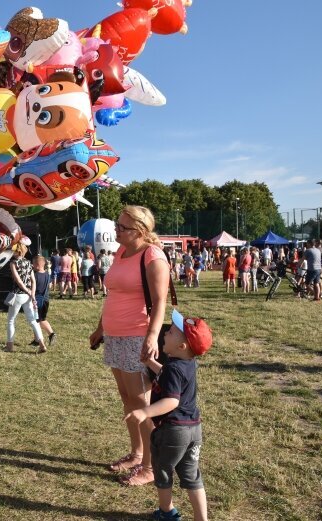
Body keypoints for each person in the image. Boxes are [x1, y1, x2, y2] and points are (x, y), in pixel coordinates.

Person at [89, 205, 170, 487]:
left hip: (137, 336)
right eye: (117, 224)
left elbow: (160, 302)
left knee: (142, 403)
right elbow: (113, 293)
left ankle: (150, 466)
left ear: (139, 231)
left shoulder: (153, 257)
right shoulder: (123, 252)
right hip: (115, 335)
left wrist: (151, 336)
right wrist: (101, 328)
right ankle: (137, 453)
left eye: (122, 227)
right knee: (127, 398)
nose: (116, 230)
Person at [125, 310, 212, 521]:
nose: (165, 333)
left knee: (163, 472)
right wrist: (150, 363)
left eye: (171, 332)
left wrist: (144, 412)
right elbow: (167, 374)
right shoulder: (187, 364)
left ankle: (166, 513)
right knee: (192, 477)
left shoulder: (174, 369)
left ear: (181, 346)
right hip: (193, 430)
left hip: (172, 431)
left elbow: (172, 400)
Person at [4, 243, 47, 353]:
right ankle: (42, 344)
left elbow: (18, 280)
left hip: (17, 295)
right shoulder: (28, 263)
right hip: (27, 296)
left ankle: (9, 346)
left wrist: (27, 290)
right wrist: (31, 294)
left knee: (11, 320)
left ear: (17, 251)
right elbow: (33, 280)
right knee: (33, 320)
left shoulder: (13, 263)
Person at [31, 255, 57, 347]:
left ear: (37, 265)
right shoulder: (47, 274)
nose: (32, 265)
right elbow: (49, 286)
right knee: (36, 320)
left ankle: (51, 334)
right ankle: (36, 340)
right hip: (45, 299)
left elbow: (33, 288)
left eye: (33, 264)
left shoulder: (35, 275)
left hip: (38, 301)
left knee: (40, 320)